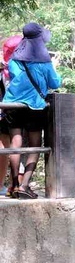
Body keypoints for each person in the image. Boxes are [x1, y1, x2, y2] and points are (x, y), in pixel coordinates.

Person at [2, 22, 61, 199]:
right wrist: (54, 67)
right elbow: (55, 83)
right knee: (35, 144)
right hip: (34, 106)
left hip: (12, 104)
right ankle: (25, 186)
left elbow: (14, 77)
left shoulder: (14, 60)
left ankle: (14, 185)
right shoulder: (44, 62)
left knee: (16, 142)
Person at [0, 35, 22, 196]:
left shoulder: (6, 70)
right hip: (21, 114)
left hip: (5, 114)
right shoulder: (23, 68)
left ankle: (9, 185)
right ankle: (15, 186)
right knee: (10, 148)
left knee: (6, 148)